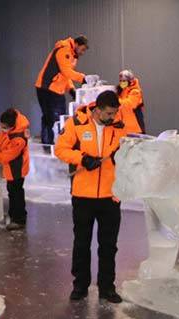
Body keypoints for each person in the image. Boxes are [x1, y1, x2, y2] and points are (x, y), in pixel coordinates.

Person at [54, 90, 126, 303]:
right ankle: (80, 286)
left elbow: (131, 151)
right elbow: (60, 149)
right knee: (82, 243)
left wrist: (120, 156)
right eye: (109, 114)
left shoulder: (119, 127)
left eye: (114, 113)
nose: (112, 118)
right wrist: (83, 159)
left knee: (108, 245)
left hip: (111, 196)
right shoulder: (77, 123)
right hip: (83, 196)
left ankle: (107, 288)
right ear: (97, 110)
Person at [0, 107, 30, 231]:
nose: (1, 128)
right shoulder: (7, 129)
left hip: (17, 167)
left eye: (4, 127)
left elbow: (7, 156)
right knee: (12, 190)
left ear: (12, 126)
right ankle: (13, 215)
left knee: (16, 192)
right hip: (10, 167)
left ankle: (19, 219)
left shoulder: (19, 138)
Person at [35, 35, 88, 145]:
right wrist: (83, 78)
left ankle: (60, 143)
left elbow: (65, 76)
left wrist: (71, 90)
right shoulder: (64, 50)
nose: (83, 53)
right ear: (76, 44)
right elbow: (66, 72)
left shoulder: (72, 55)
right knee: (50, 117)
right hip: (46, 88)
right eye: (82, 49)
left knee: (61, 117)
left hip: (57, 90)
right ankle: (48, 144)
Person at [116, 69, 145, 134]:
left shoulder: (135, 92)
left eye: (124, 81)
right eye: (120, 81)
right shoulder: (120, 91)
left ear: (130, 81)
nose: (122, 83)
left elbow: (130, 105)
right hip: (124, 127)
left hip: (135, 128)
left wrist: (115, 100)